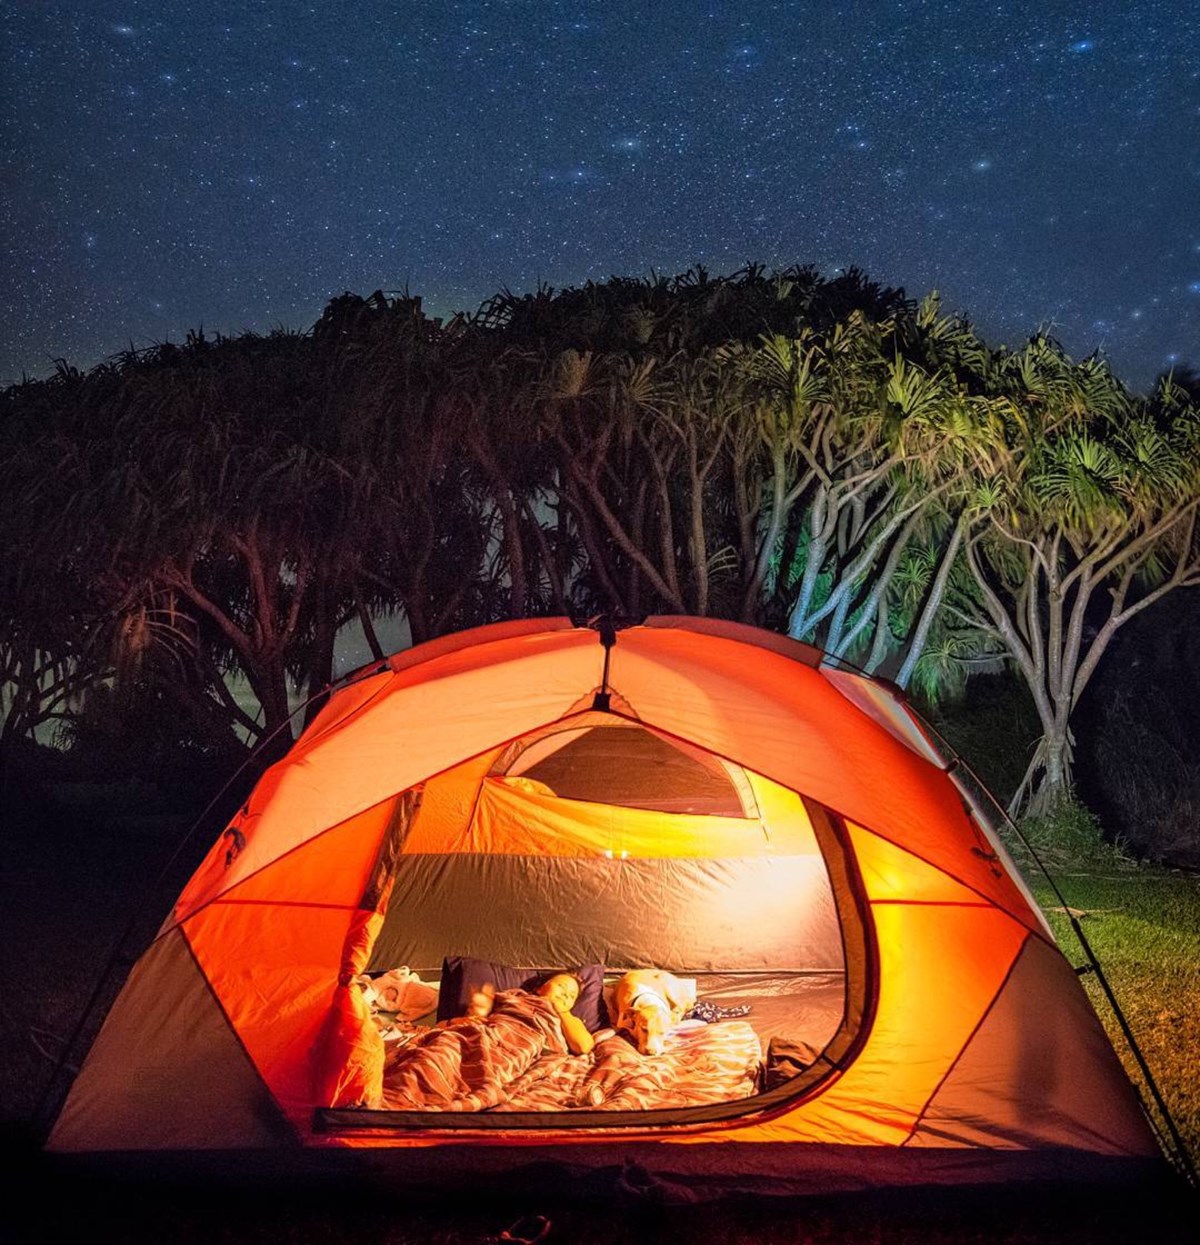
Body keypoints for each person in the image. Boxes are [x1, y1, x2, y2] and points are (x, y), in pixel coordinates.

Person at [380, 971, 593, 1110]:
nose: (565, 995)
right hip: (487, 1032)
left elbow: (583, 1045)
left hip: (521, 1044)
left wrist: (561, 1010)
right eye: (561, 987)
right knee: (438, 1054)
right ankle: (398, 1102)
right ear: (540, 988)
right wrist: (475, 1012)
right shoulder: (514, 996)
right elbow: (476, 1019)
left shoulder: (567, 1018)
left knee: (490, 1070)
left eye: (571, 995)